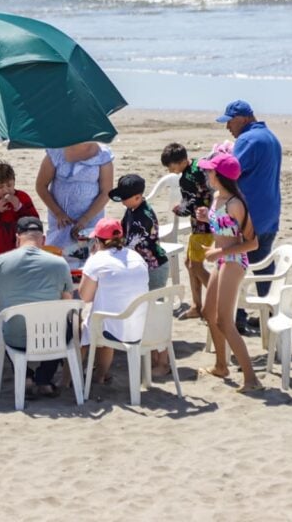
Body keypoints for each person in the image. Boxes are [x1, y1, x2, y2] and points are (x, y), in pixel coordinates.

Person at [0, 216, 75, 398]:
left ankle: (26, 377)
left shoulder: (0, 262)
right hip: (51, 337)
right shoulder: (60, 264)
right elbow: (67, 302)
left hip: (15, 337)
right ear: (43, 239)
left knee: (10, 321)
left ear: (17, 238)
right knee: (62, 327)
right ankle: (44, 379)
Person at [196, 153, 263, 392]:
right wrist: (206, 217)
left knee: (225, 320)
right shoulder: (216, 198)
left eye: (209, 171)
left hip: (233, 261)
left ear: (219, 175)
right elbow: (223, 232)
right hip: (222, 259)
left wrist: (219, 253)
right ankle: (221, 365)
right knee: (208, 312)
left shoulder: (236, 203)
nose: (206, 174)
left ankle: (252, 379)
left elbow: (252, 243)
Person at [216, 100, 282, 331]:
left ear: (243, 118)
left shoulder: (247, 140)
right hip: (269, 214)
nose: (228, 128)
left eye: (230, 122)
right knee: (263, 267)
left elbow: (229, 173)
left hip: (248, 217)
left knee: (233, 264)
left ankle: (237, 317)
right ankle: (269, 315)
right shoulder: (270, 137)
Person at [78, 217, 167, 380]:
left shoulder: (97, 260)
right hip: (141, 324)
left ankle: (69, 381)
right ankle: (100, 376)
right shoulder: (136, 256)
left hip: (116, 327)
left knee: (83, 326)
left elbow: (84, 297)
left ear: (98, 240)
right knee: (105, 315)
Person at [160, 142, 214, 319]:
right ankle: (197, 306)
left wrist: (179, 209)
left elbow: (198, 202)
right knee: (189, 263)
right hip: (205, 225)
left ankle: (219, 298)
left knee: (194, 265)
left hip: (204, 226)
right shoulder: (198, 166)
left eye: (170, 166)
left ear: (178, 162)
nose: (170, 170)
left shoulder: (189, 177)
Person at [35, 141, 114, 249]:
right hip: (61, 221)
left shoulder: (103, 154)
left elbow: (106, 192)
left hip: (91, 220)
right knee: (59, 257)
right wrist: (58, 213)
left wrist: (85, 219)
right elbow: (41, 186)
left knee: (88, 257)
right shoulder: (56, 152)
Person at [108, 174, 168, 291]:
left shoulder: (143, 218)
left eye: (125, 198)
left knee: (152, 305)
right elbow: (122, 228)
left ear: (137, 197)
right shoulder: (132, 208)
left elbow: (129, 245)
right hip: (142, 265)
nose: (122, 201)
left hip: (153, 269)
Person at [0, 160, 40, 263]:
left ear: (14, 182)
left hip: (22, 254)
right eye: (0, 187)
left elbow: (36, 224)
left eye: (9, 185)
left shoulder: (23, 197)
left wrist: (19, 207)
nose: (6, 190)